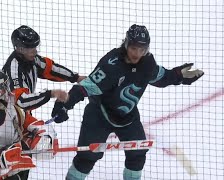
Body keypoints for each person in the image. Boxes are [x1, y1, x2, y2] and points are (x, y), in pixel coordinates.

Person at [51, 24, 204, 180]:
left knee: (138, 154)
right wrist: (64, 104)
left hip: (127, 117)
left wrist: (178, 75)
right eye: (134, 48)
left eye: (142, 49)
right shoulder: (111, 65)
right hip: (99, 115)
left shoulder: (147, 63)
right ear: (126, 44)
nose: (137, 54)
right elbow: (84, 89)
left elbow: (161, 77)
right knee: (87, 157)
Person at [0, 69, 58, 180]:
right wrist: (2, 158)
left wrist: (40, 130)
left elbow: (24, 119)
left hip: (10, 167)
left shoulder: (5, 102)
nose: (6, 88)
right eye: (4, 86)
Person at [2, 25, 85, 111]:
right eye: (30, 48)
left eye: (35, 47)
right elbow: (21, 101)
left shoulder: (31, 59)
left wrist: (76, 77)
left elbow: (50, 69)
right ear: (20, 49)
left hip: (21, 114)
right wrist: (51, 94)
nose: (35, 51)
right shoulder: (13, 70)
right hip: (10, 117)